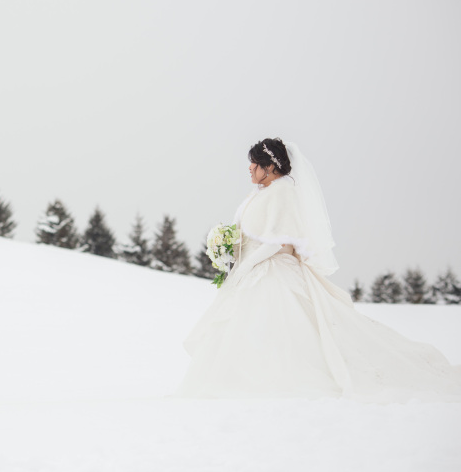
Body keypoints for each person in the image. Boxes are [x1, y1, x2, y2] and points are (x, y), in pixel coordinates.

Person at [177, 138, 461, 401]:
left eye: (255, 163)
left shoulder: (283, 191)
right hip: (253, 270)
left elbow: (278, 239)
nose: (249, 168)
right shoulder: (260, 193)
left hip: (272, 270)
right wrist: (230, 255)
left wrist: (247, 266)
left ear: (270, 166)